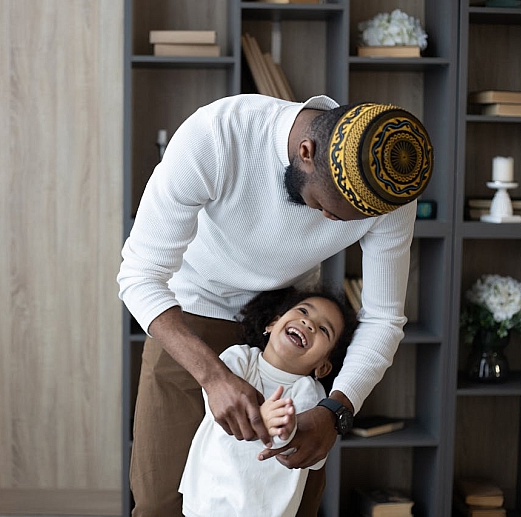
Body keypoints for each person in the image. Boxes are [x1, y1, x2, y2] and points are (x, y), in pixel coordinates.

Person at [118, 94, 433, 516]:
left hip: (284, 323)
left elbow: (382, 318)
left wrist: (336, 410)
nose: (331, 224)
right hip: (187, 312)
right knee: (160, 502)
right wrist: (214, 378)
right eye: (327, 207)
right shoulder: (217, 134)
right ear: (306, 152)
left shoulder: (389, 192)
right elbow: (139, 275)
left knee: (291, 501)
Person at [179, 287, 357, 517]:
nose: (309, 323)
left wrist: (285, 427)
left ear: (323, 366)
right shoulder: (239, 358)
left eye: (324, 329)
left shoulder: (311, 393)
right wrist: (261, 417)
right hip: (208, 498)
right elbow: (217, 402)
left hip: (265, 510)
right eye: (303, 310)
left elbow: (303, 445)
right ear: (272, 324)